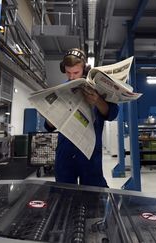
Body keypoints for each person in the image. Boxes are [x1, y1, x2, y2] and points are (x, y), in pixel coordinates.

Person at [44, 48, 119, 187]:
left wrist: (97, 101)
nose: (71, 77)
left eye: (76, 72)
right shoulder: (62, 90)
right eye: (68, 72)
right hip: (65, 152)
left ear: (84, 68)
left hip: (90, 152)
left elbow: (112, 114)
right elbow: (48, 126)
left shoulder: (98, 87)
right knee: (64, 194)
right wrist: (51, 114)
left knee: (94, 194)